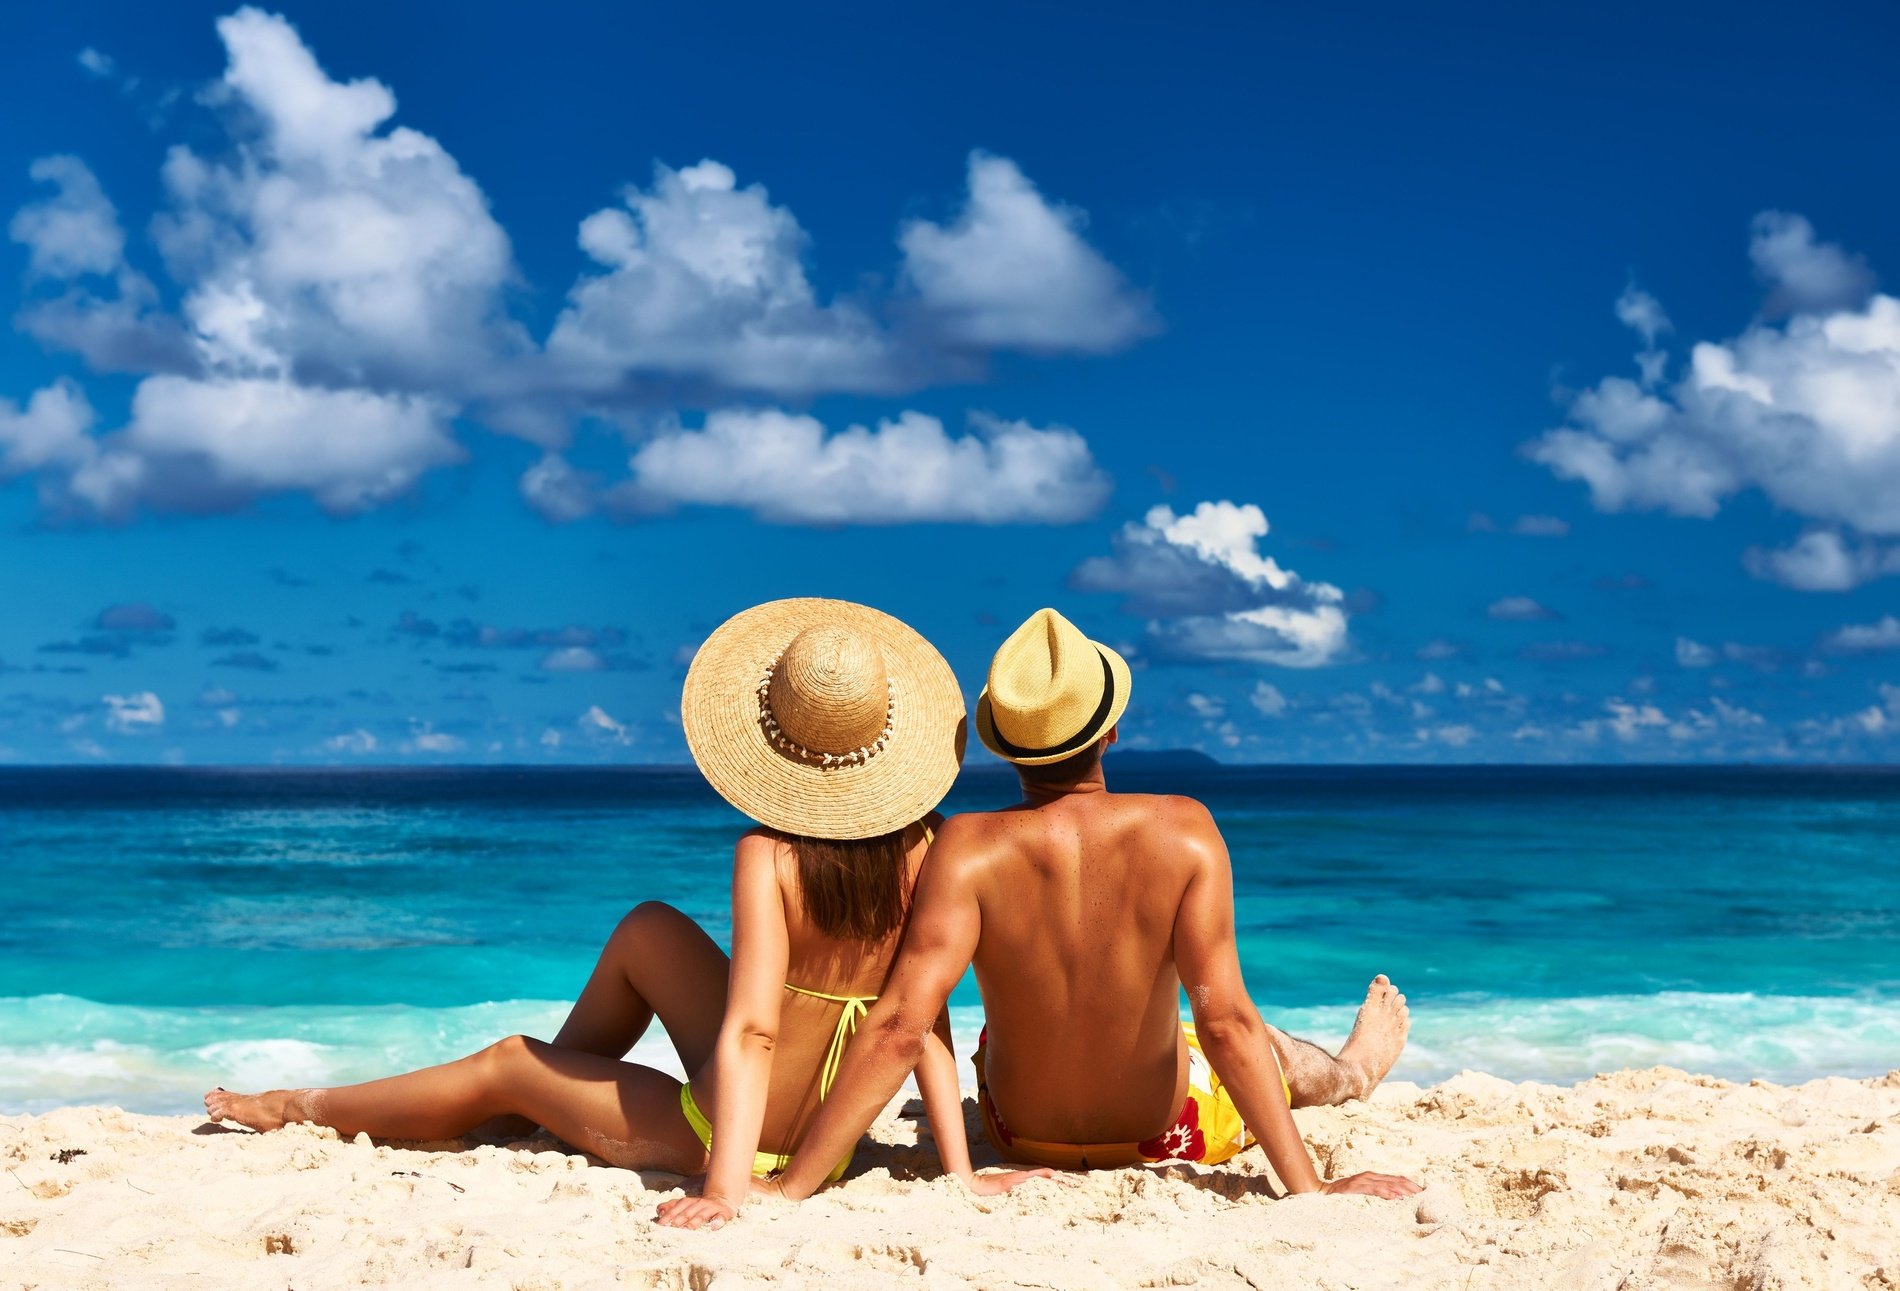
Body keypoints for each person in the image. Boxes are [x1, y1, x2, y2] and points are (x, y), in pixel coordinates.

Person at [205, 598, 1046, 1229]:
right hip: (827, 1126)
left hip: (738, 1135)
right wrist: (960, 1172)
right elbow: (917, 1021)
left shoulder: (770, 856)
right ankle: (517, 1112)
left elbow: (753, 1032)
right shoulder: (938, 849)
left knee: (509, 1057)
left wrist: (724, 1189)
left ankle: (297, 1106)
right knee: (649, 927)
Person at [710, 607, 1418, 1222]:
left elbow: (899, 1025)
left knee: (1018, 1025)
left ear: (1004, 747)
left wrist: (793, 1184)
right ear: (1110, 733)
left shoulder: (964, 847)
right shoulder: (1185, 831)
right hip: (1164, 1130)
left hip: (1019, 1133)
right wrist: (1311, 1189)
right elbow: (1222, 1021)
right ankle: (1350, 1072)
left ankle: (1341, 1068)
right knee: (1256, 1034)